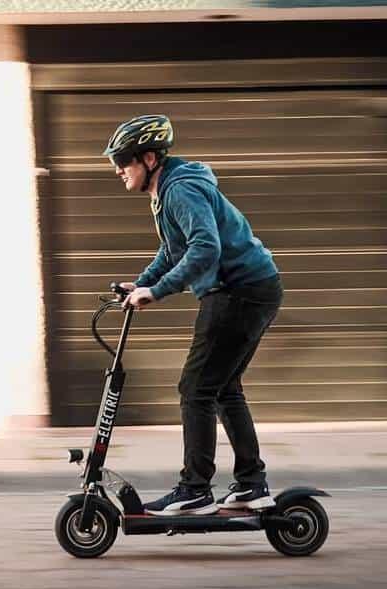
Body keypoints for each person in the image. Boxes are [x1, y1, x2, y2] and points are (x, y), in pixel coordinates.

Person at [104, 114, 283, 516]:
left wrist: (159, 290)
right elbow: (174, 250)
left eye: (124, 160)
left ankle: (195, 489)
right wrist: (143, 284)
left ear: (149, 158)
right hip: (250, 289)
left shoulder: (180, 190)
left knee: (196, 388)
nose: (118, 169)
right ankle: (252, 485)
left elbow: (205, 249)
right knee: (221, 388)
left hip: (238, 292)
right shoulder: (168, 189)